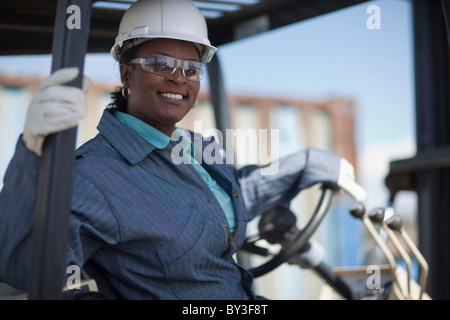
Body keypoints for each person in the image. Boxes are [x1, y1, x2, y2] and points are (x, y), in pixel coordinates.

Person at [0, 0, 366, 300]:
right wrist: (31, 155)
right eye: (159, 64)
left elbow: (231, 197)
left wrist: (306, 165)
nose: (178, 78)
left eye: (191, 69)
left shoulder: (196, 148)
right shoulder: (94, 177)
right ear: (127, 74)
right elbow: (25, 268)